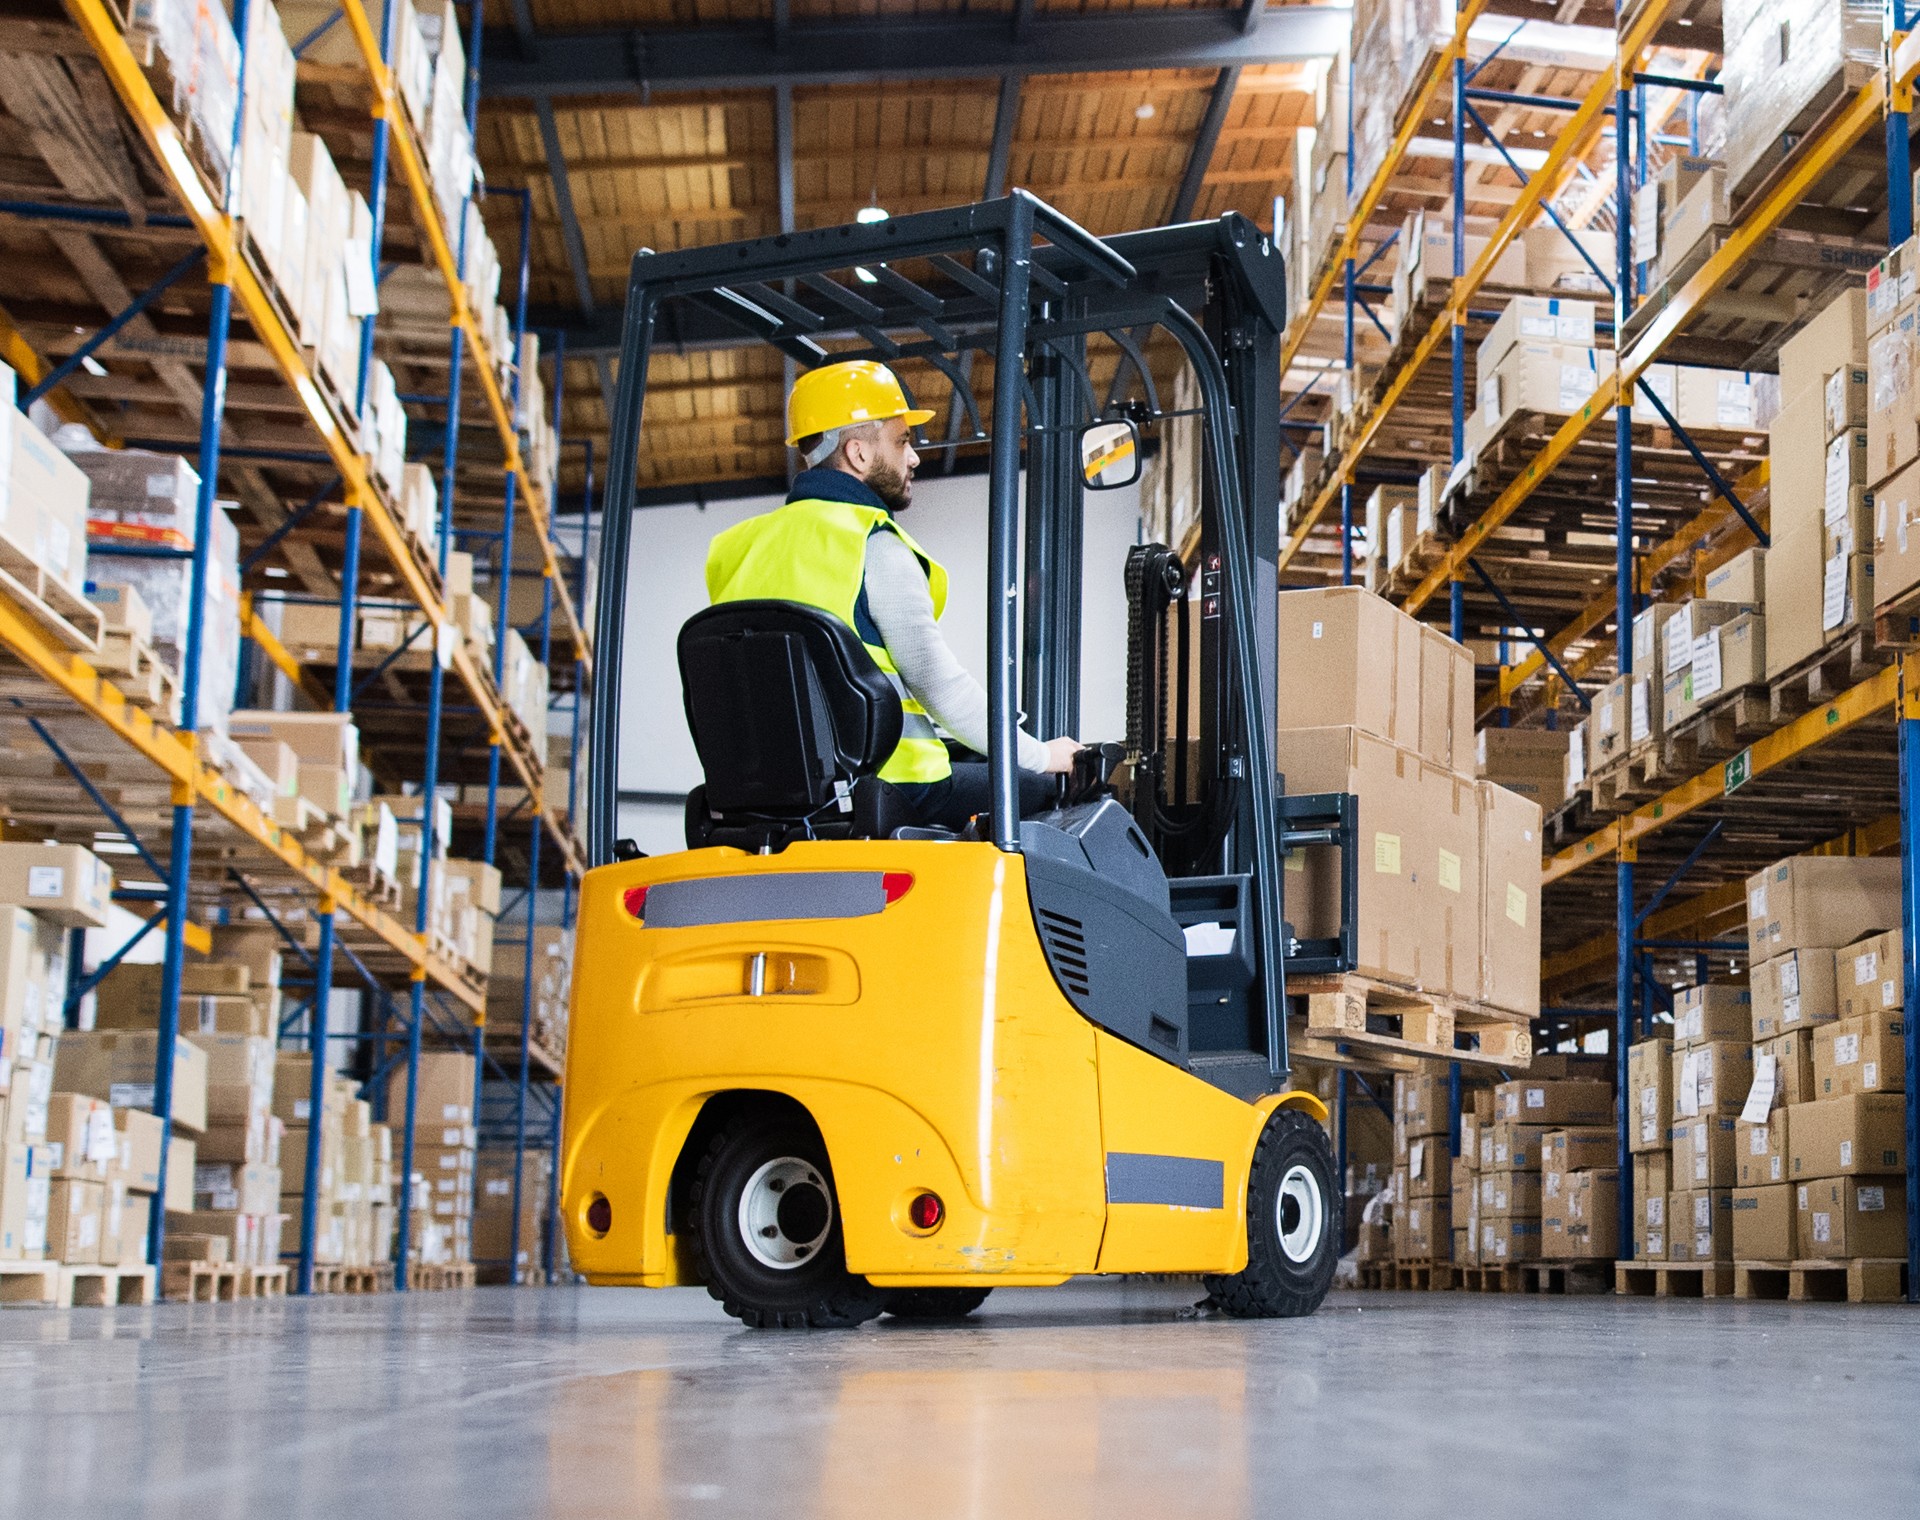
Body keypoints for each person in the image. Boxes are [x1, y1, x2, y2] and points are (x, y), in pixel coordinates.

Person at [705, 359, 1079, 830]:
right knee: (1062, 793)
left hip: (771, 795)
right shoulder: (871, 542)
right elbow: (935, 682)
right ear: (859, 454)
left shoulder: (732, 549)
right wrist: (1043, 755)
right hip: (889, 783)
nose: (914, 457)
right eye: (902, 441)